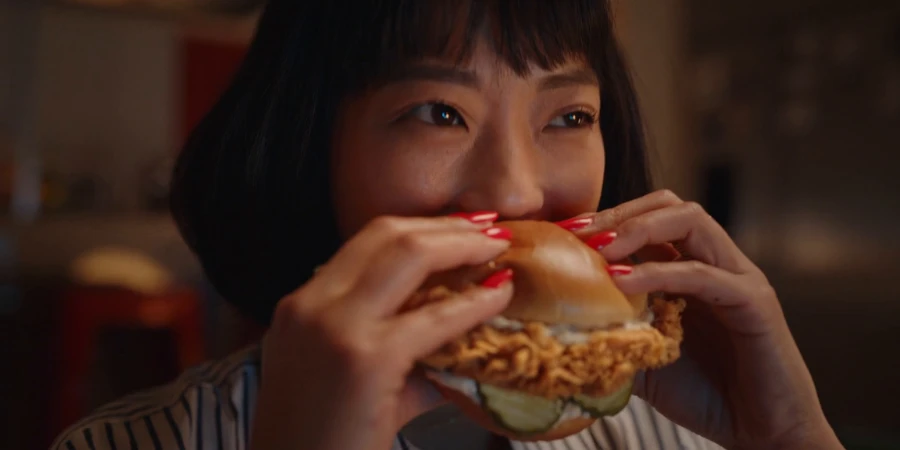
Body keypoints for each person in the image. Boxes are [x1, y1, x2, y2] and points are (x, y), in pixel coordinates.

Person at [51, 1, 845, 449]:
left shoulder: (677, 437)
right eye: (438, 113)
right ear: (308, 146)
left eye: (569, 114)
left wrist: (785, 434)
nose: (519, 191)